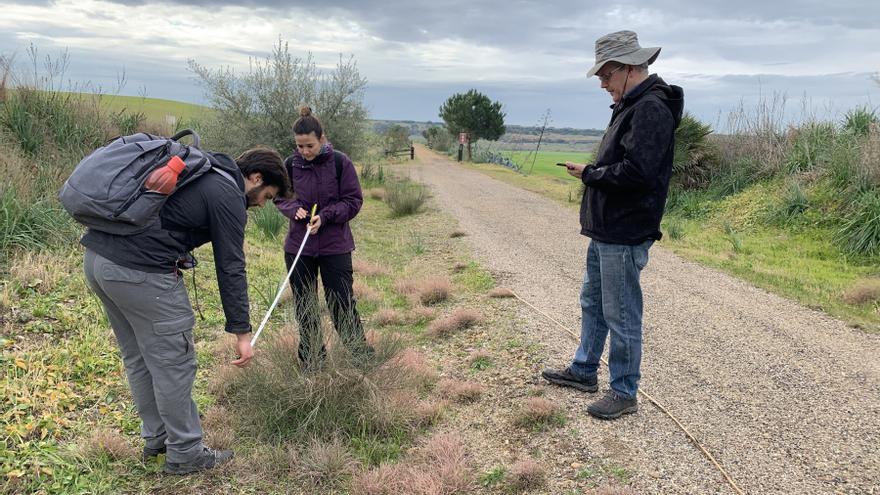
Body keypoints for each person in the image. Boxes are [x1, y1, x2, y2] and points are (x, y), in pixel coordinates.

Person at [82, 147, 290, 473]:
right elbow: (231, 266)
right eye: (267, 195)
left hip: (98, 261)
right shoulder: (228, 195)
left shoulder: (205, 173)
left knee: (139, 357)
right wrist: (242, 332)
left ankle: (158, 441)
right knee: (173, 363)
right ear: (256, 178)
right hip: (139, 272)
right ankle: (185, 452)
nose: (263, 203)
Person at [542, 30, 683, 420]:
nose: (603, 84)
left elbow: (638, 174)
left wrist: (591, 173)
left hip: (625, 229)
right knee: (594, 302)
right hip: (608, 228)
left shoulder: (650, 109)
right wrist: (593, 173)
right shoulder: (632, 104)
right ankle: (585, 370)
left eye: (605, 76)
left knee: (621, 312)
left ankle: (624, 391)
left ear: (626, 69)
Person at [275, 106, 369, 368]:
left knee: (341, 303)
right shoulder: (290, 165)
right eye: (299, 146)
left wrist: (325, 216)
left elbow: (353, 201)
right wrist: (294, 210)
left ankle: (360, 358)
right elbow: (280, 197)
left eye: (309, 145)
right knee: (305, 306)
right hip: (299, 247)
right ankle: (313, 363)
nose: (304, 151)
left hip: (334, 246)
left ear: (322, 139)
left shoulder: (340, 162)